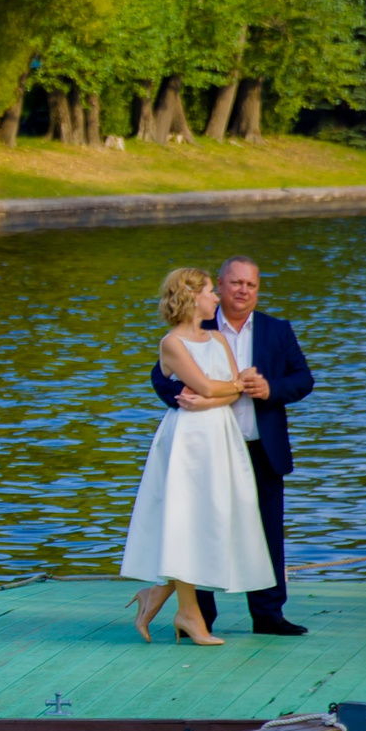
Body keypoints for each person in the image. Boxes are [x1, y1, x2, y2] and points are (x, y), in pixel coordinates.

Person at [147, 255, 313, 636]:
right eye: (235, 283)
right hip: (205, 448)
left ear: (258, 289)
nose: (243, 290)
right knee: (203, 528)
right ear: (218, 286)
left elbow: (303, 380)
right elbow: (161, 379)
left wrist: (271, 389)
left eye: (251, 285)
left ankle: (269, 615)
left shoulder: (277, 330)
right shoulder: (192, 328)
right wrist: (184, 395)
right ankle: (200, 617)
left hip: (260, 446)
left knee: (266, 533)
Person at [120, 267, 276, 646]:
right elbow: (209, 384)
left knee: (214, 518)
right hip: (188, 442)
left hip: (220, 437)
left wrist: (220, 392)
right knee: (185, 520)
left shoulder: (217, 337)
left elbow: (226, 392)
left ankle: (158, 595)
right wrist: (224, 388)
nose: (216, 298)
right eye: (210, 291)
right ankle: (189, 614)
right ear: (191, 298)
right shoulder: (172, 343)